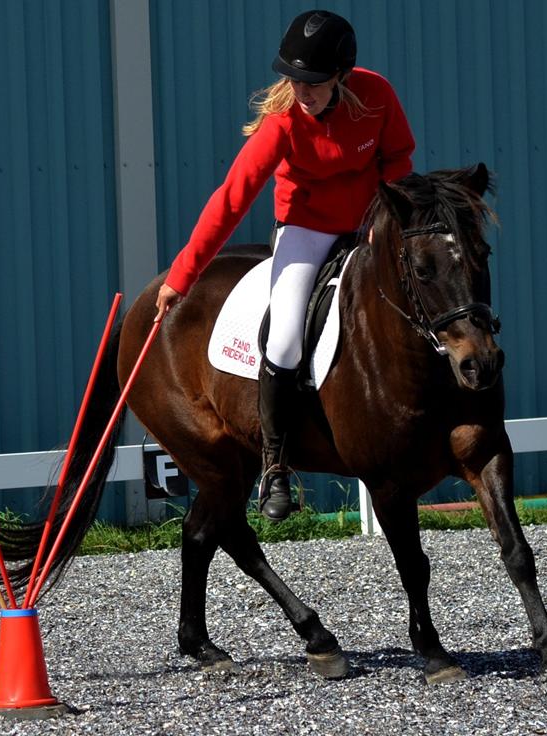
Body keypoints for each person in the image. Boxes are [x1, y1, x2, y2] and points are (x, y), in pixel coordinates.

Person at [155, 9, 415, 522]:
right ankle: (275, 467)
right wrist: (182, 277)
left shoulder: (377, 96)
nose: (303, 89)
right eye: (294, 78)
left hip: (370, 223)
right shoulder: (280, 125)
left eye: (314, 81)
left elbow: (399, 160)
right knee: (285, 336)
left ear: (341, 74)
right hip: (305, 230)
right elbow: (230, 200)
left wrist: (386, 221)